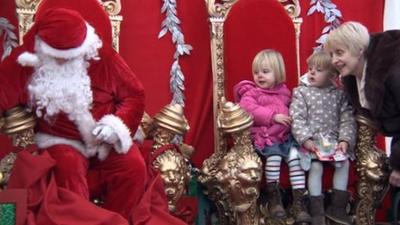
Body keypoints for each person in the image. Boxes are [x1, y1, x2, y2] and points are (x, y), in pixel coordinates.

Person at [0, 7, 185, 225]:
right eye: (59, 58)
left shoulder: (102, 57)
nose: (65, 63)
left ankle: (119, 220)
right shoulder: (24, 63)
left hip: (105, 138)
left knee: (133, 166)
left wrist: (115, 126)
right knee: (67, 171)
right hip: (62, 140)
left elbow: (134, 94)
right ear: (44, 49)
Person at [234, 49, 311, 223]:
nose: (259, 76)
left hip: (286, 139)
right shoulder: (251, 93)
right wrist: (272, 116)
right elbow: (248, 109)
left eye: (265, 72)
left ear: (278, 73)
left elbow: (294, 111)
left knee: (295, 158)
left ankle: (299, 202)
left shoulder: (285, 93)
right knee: (274, 158)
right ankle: (274, 198)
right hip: (267, 139)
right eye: (256, 72)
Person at [324, 21, 400, 188]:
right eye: (331, 55)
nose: (334, 60)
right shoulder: (352, 80)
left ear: (359, 50)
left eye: (339, 53)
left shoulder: (394, 71)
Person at [289, 51, 357, 225]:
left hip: (333, 142)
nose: (311, 73)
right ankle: (316, 210)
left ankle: (337, 208)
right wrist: (305, 139)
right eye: (310, 68)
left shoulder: (340, 95)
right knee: (316, 167)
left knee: (344, 163)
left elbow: (347, 119)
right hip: (312, 143)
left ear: (333, 75)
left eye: (318, 70)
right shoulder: (301, 93)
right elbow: (297, 118)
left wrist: (345, 140)